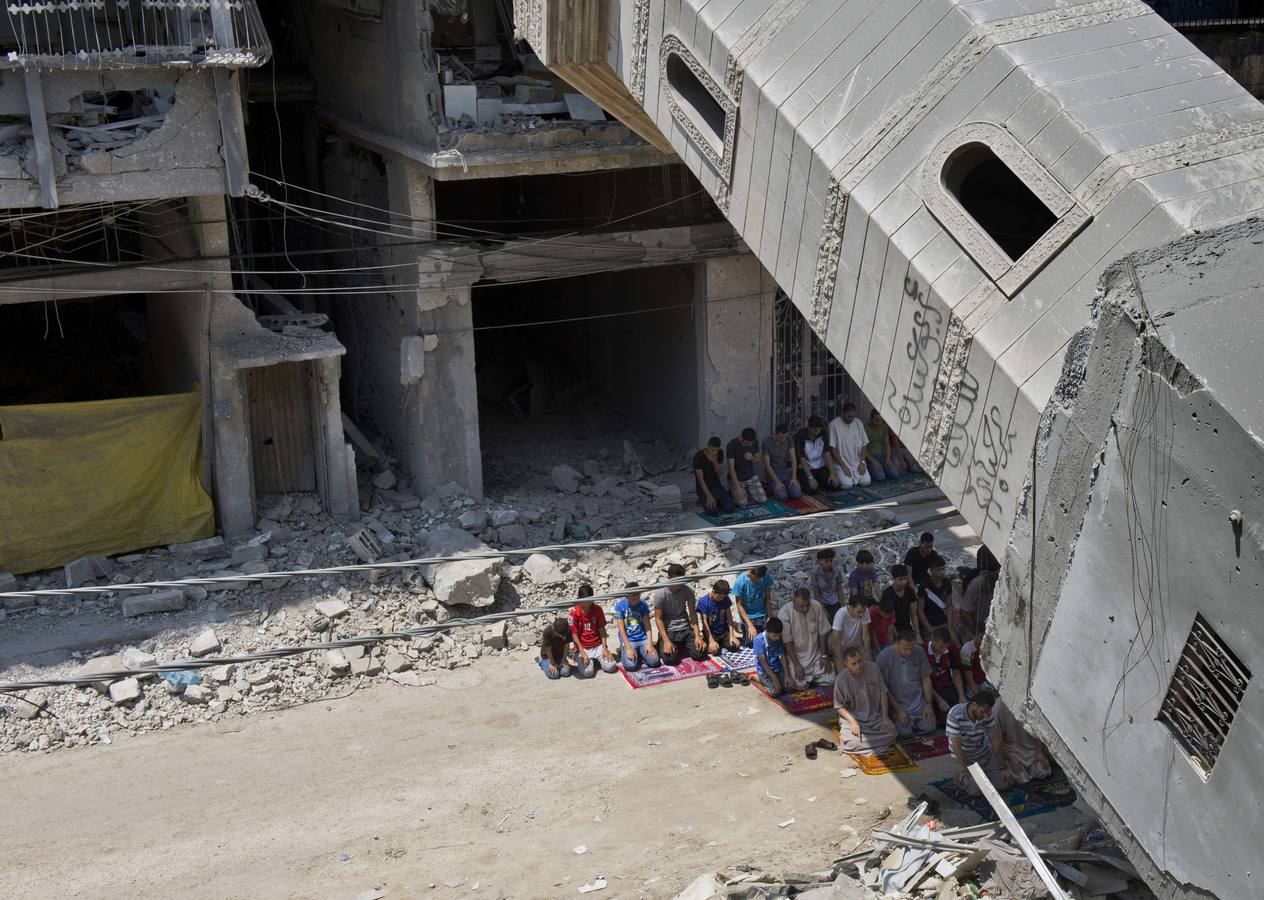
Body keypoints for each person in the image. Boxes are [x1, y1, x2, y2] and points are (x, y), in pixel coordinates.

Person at [946, 689, 1015, 795]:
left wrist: (1002, 767)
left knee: (1006, 783)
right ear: (974, 705)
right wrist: (973, 772)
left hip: (984, 754)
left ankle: (985, 774)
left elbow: (995, 739)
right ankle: (961, 775)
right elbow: (957, 749)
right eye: (982, 712)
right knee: (976, 791)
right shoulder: (955, 714)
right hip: (965, 757)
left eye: (987, 713)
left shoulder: (987, 714)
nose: (985, 716)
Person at [833, 647, 898, 755]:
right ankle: (876, 745)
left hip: (874, 716)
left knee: (892, 732)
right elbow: (839, 706)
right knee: (850, 743)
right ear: (846, 663)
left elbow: (883, 693)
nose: (858, 666)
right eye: (853, 664)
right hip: (854, 718)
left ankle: (866, 746)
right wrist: (852, 721)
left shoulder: (873, 668)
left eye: (859, 661)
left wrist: (885, 717)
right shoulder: (841, 679)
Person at [876, 629, 936, 736]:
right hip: (898, 705)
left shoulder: (919, 651)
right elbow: (883, 688)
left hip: (918, 704)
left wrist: (929, 703)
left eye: (911, 648)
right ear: (896, 644)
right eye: (905, 649)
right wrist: (899, 710)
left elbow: (925, 678)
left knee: (930, 727)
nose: (909, 652)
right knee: (904, 733)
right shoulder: (884, 656)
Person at [777, 587, 835, 689]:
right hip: (796, 657)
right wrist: (796, 664)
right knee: (798, 684)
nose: (805, 609)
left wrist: (824, 655)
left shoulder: (816, 606)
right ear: (794, 602)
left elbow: (823, 633)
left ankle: (811, 679)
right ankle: (809, 679)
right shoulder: (785, 612)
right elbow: (787, 642)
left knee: (831, 678)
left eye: (807, 605)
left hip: (815, 654)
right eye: (801, 606)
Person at [652, 564, 707, 666]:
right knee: (669, 660)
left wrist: (697, 636)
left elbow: (693, 614)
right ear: (669, 579)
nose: (680, 584)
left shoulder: (688, 590)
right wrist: (666, 641)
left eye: (682, 580)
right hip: (669, 630)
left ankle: (680, 645)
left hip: (685, 628)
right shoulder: (661, 594)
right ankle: (664, 643)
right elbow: (658, 619)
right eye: (677, 580)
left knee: (700, 653)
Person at [994, 698, 1052, 784]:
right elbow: (997, 741)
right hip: (1014, 754)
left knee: (1044, 771)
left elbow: (1038, 729)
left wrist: (1039, 752)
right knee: (1018, 777)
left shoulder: (1029, 701)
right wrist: (1011, 758)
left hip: (1032, 750)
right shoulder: (997, 709)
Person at [569, 584, 619, 677]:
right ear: (578, 598)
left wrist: (605, 648)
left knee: (611, 667)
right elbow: (574, 634)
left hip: (597, 645)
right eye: (584, 601)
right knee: (588, 673)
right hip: (582, 647)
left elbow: (602, 629)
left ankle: (594, 660)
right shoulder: (574, 612)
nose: (587, 604)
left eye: (589, 600)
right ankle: (578, 655)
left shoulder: (597, 609)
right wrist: (582, 652)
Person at [612, 587, 661, 672]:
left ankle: (640, 653)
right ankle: (623, 650)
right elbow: (621, 629)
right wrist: (629, 648)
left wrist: (650, 644)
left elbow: (647, 625)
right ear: (626, 597)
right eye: (633, 599)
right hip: (629, 640)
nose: (636, 601)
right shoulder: (619, 606)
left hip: (642, 638)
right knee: (630, 666)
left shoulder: (643, 604)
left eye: (638, 598)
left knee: (654, 662)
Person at [828, 401, 872, 488]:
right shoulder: (834, 425)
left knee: (866, 482)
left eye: (853, 416)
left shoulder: (858, 423)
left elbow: (864, 444)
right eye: (848, 416)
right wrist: (843, 466)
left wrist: (862, 462)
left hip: (857, 461)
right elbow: (832, 448)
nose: (851, 419)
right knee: (846, 484)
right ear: (842, 413)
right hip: (840, 462)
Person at [794, 415, 840, 494]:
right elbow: (802, 459)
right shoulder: (800, 436)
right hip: (806, 468)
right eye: (815, 430)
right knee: (811, 490)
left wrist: (832, 474)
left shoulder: (823, 433)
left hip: (820, 466)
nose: (817, 432)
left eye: (819, 430)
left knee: (835, 485)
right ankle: (810, 481)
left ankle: (819, 482)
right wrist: (810, 477)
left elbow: (827, 454)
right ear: (809, 427)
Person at [924, 625, 965, 713]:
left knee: (960, 711)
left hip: (948, 687)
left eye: (946, 647)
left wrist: (961, 696)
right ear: (933, 639)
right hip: (931, 692)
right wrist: (939, 701)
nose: (944, 650)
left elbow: (956, 673)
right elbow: (924, 681)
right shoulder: (923, 651)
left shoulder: (952, 649)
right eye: (941, 647)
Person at [732, 564, 774, 643]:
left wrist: (769, 617)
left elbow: (768, 598)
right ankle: (742, 626)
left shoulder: (765, 577)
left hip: (762, 613)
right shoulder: (740, 581)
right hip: (748, 616)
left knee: (769, 639)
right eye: (757, 578)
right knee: (752, 642)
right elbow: (739, 605)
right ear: (750, 573)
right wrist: (750, 625)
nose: (759, 580)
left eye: (760, 578)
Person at [693, 437, 736, 514]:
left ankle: (717, 500)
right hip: (704, 488)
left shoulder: (720, 453)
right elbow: (701, 479)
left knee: (731, 508)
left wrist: (714, 461)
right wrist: (709, 496)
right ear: (708, 446)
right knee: (713, 512)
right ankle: (703, 498)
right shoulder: (698, 457)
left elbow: (719, 473)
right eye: (712, 450)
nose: (714, 453)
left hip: (716, 486)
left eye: (716, 450)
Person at [697, 579, 741, 654]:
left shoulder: (725, 599)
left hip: (723, 631)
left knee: (735, 646)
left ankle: (721, 642)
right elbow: (704, 622)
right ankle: (713, 642)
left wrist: (732, 635)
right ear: (713, 591)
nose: (721, 599)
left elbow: (729, 617)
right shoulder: (704, 602)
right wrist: (711, 640)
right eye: (719, 597)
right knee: (712, 650)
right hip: (711, 632)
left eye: (723, 597)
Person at [726, 428, 767, 508]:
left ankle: (747, 492)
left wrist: (752, 458)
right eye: (748, 443)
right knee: (742, 504)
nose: (750, 445)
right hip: (737, 479)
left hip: (750, 477)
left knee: (763, 500)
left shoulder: (755, 442)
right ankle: (733, 491)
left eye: (752, 442)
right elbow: (731, 468)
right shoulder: (732, 445)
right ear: (743, 439)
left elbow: (758, 460)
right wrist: (738, 487)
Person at [917, 554, 955, 637]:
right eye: (938, 570)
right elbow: (920, 611)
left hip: (943, 622)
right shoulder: (924, 586)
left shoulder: (947, 583)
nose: (942, 572)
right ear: (932, 570)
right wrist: (930, 630)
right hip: (929, 624)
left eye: (943, 569)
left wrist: (950, 627)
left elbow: (949, 606)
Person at [761, 423, 802, 500]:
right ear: (776, 434)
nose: (783, 440)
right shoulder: (766, 442)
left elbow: (793, 459)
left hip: (786, 471)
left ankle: (787, 486)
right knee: (783, 497)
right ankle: (772, 485)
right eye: (781, 437)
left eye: (784, 437)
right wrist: (777, 482)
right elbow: (767, 465)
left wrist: (794, 478)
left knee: (796, 494)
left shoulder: (789, 439)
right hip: (774, 474)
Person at [830, 594, 872, 668]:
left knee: (869, 666)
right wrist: (842, 660)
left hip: (856, 645)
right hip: (841, 647)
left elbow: (865, 636)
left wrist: (867, 653)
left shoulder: (865, 611)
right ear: (852, 607)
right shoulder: (841, 614)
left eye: (863, 611)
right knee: (844, 673)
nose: (862, 614)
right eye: (859, 612)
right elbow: (837, 641)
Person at [881, 564, 920, 641]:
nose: (904, 582)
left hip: (907, 627)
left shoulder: (910, 592)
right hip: (891, 629)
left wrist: (918, 634)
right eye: (900, 579)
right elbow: (887, 618)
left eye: (905, 579)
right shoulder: (888, 593)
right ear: (894, 579)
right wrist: (896, 635)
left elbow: (913, 614)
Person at [959, 568, 997, 641]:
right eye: (991, 588)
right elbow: (965, 611)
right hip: (971, 620)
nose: (991, 591)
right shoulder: (974, 586)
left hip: (984, 619)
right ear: (987, 583)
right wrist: (973, 628)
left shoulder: (994, 589)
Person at [862, 409, 900, 482]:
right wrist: (873, 462)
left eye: (880, 420)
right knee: (880, 477)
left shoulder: (883, 426)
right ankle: (872, 469)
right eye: (876, 420)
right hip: (871, 459)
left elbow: (887, 444)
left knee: (895, 475)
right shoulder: (865, 428)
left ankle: (882, 469)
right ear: (871, 418)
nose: (879, 422)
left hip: (883, 457)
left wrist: (888, 459)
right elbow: (863, 449)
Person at [753, 617, 787, 695]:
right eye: (774, 636)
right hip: (765, 671)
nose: (777, 638)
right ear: (767, 631)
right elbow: (763, 662)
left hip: (777, 667)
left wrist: (787, 674)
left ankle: (772, 679)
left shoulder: (778, 638)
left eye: (779, 635)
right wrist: (775, 679)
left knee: (789, 687)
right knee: (774, 693)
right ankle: (758, 677)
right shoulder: (759, 640)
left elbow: (782, 655)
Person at [810, 547, 846, 620]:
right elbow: (817, 595)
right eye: (826, 561)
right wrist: (824, 611)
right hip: (824, 604)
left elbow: (839, 590)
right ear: (820, 561)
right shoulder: (816, 573)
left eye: (831, 561)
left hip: (835, 603)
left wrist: (842, 607)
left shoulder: (836, 571)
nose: (829, 563)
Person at [960, 625, 991, 696]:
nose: (983, 641)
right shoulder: (966, 650)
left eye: (985, 638)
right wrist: (978, 695)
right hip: (970, 684)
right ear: (975, 635)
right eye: (981, 637)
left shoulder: (987, 646)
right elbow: (969, 679)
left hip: (984, 680)